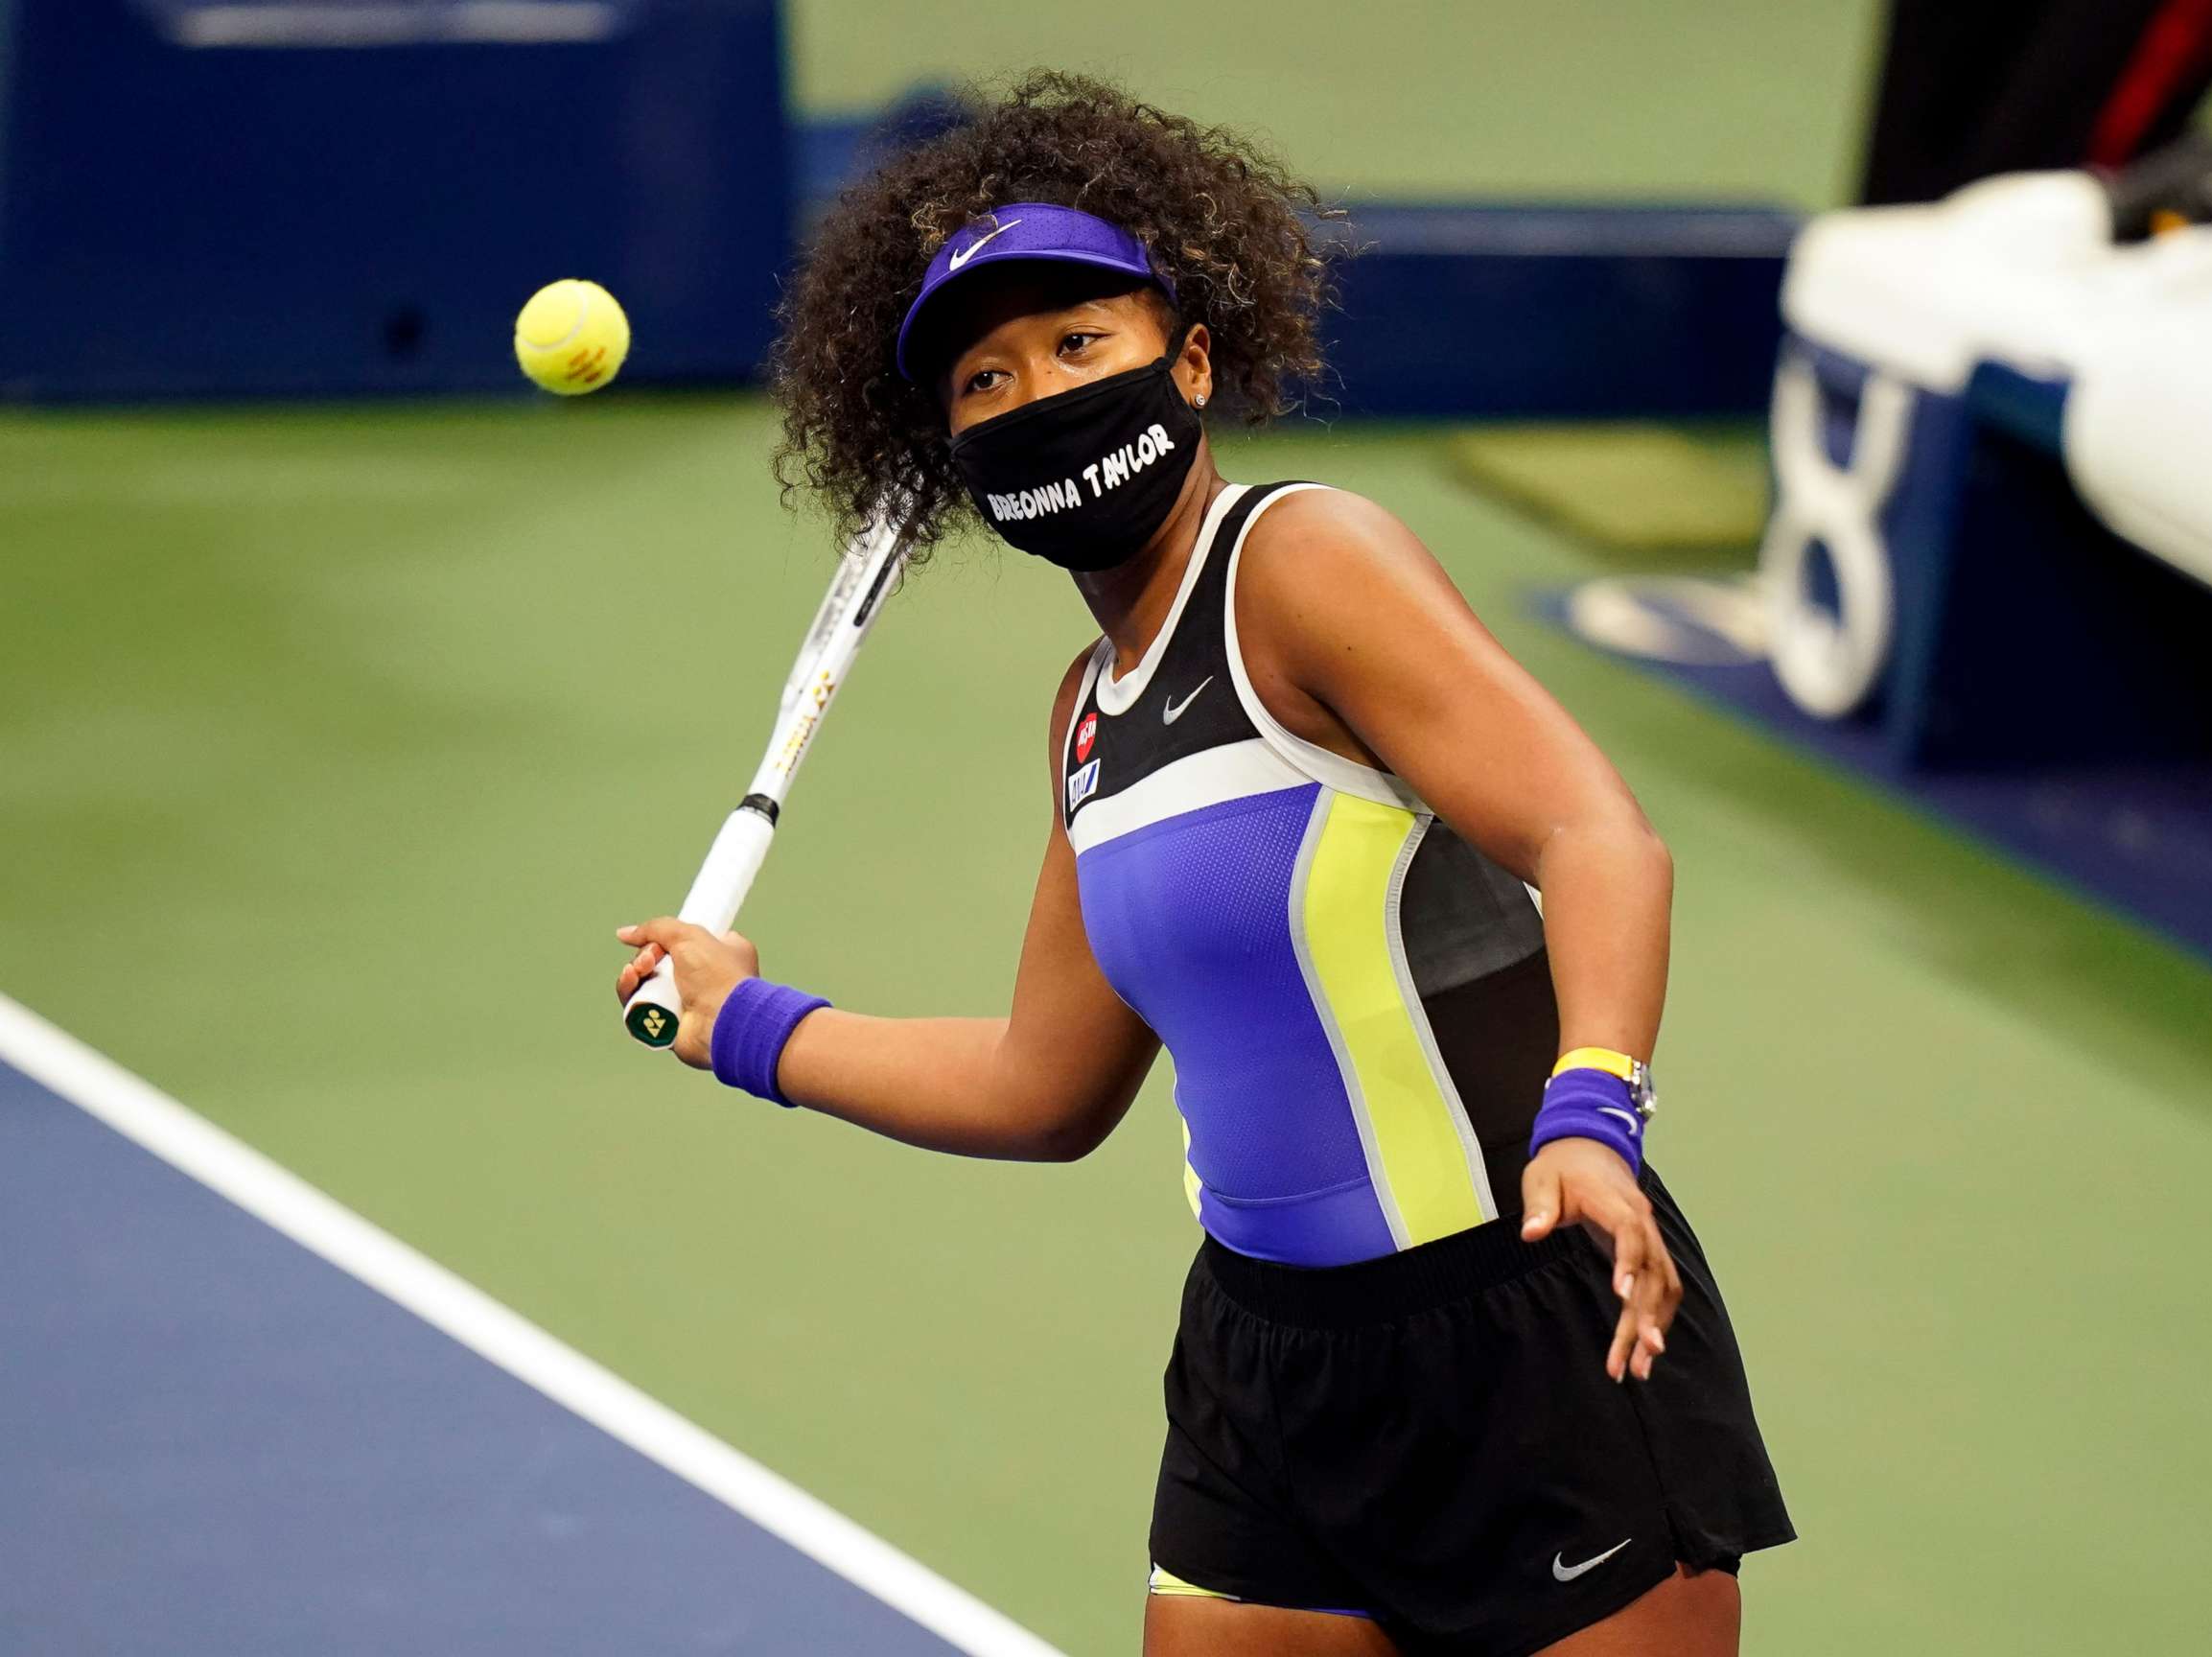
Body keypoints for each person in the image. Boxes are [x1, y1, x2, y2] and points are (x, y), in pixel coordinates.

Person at [616, 72, 1791, 1657]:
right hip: (1268, 1371)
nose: (1036, 390)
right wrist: (742, 1024)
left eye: (1079, 345)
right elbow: (1045, 1087)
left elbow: (1593, 834)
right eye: (984, 377)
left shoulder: (1304, 564)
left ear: (1193, 358)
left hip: (1526, 1330)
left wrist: (1595, 1104)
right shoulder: (1084, 723)